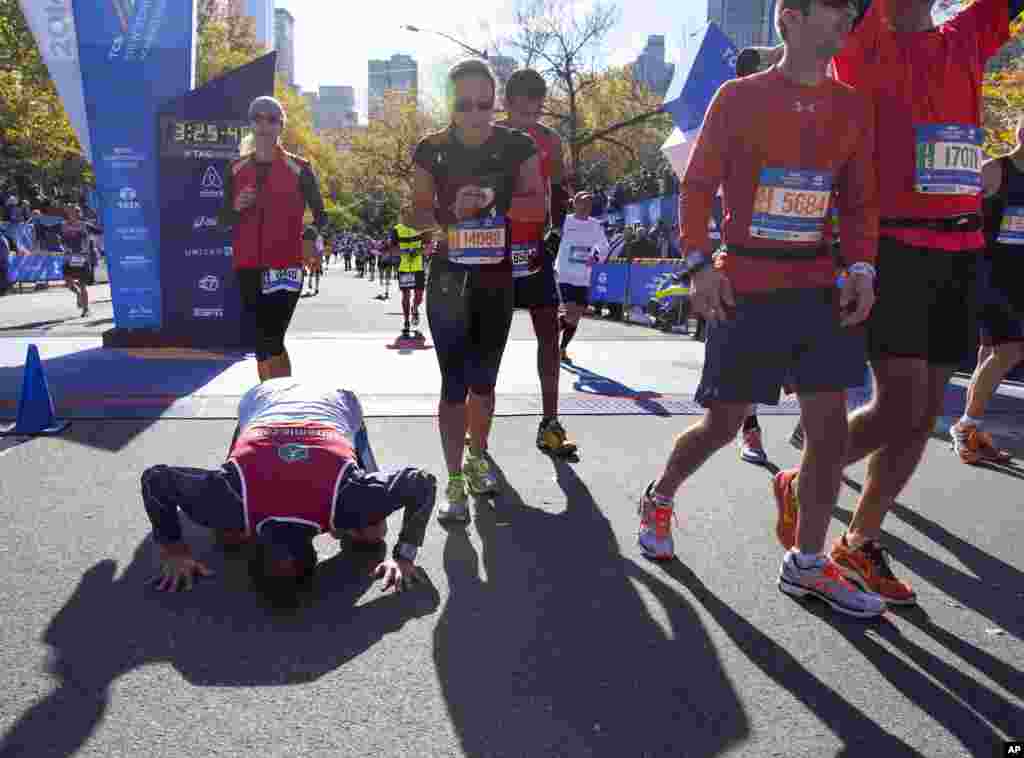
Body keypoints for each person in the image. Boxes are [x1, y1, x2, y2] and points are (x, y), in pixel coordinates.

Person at [638, 0, 885, 619]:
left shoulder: (852, 106)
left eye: (848, 13)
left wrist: (861, 268)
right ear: (790, 18)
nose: (844, 22)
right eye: (832, 10)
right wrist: (697, 267)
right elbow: (696, 188)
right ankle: (660, 495)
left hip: (817, 287)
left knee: (828, 429)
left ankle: (806, 564)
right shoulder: (739, 97)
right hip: (744, 282)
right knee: (723, 426)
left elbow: (859, 203)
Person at [140, 379, 436, 606]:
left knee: (371, 532)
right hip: (272, 398)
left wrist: (403, 558)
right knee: (372, 534)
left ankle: (230, 523)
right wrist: (173, 552)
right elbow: (155, 479)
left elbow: (422, 482)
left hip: (297, 398)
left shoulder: (343, 504)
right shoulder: (232, 503)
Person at [409, 58, 545, 522]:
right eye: (463, 104)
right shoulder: (431, 148)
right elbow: (416, 213)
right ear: (450, 106)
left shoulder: (518, 145)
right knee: (453, 385)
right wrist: (447, 223)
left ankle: (477, 456)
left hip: (495, 279)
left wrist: (491, 205)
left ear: (496, 104)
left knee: (484, 384)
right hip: (448, 279)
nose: (474, 113)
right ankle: (452, 481)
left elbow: (538, 205)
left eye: (483, 104)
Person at [494, 68, 578, 456]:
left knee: (549, 334)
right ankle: (478, 428)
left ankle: (550, 421)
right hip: (494, 252)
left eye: (537, 113)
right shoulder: (490, 138)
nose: (531, 121)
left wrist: (557, 232)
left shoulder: (551, 140)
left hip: (534, 252)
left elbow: (559, 191)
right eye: (524, 113)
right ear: (507, 105)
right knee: (488, 341)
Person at [219, 96, 326, 382]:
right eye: (258, 118)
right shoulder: (235, 169)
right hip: (248, 264)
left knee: (273, 338)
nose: (265, 124)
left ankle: (283, 401)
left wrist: (309, 236)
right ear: (251, 124)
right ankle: (270, 400)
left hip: (286, 263)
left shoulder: (300, 168)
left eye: (272, 119)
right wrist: (235, 207)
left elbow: (320, 215)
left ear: (281, 126)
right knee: (260, 342)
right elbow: (221, 220)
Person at [951, 114, 1024, 464]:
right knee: (1011, 350)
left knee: (988, 354)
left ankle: (973, 432)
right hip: (989, 274)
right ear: (1020, 133)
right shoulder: (995, 170)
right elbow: (957, 213)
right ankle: (966, 426)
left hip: (1019, 278)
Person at [555, 191, 610, 364]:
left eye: (589, 204)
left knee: (575, 317)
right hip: (564, 273)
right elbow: (551, 240)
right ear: (575, 204)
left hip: (583, 276)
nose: (586, 207)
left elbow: (604, 246)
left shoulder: (595, 225)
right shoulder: (565, 220)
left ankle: (561, 348)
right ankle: (550, 338)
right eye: (583, 203)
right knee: (571, 311)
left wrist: (595, 257)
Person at [391, 221, 428, 336]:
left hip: (418, 268)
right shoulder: (396, 229)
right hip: (404, 268)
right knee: (406, 296)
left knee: (419, 297)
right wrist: (404, 252)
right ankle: (406, 321)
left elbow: (428, 247)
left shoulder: (421, 227)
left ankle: (415, 308)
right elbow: (392, 249)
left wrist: (417, 251)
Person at [61, 206, 91, 316]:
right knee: (68, 282)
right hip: (69, 257)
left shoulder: (83, 225)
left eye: (75, 212)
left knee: (82, 284)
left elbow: (86, 240)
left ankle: (86, 309)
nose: (72, 214)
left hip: (81, 257)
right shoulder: (64, 225)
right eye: (70, 212)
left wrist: (84, 251)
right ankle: (77, 293)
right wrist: (65, 249)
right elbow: (63, 240)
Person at [305, 231, 324, 296]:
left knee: (313, 272)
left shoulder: (317, 238)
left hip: (315, 257)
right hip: (316, 257)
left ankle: (314, 286)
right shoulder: (319, 238)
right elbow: (321, 249)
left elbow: (320, 249)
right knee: (315, 272)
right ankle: (315, 287)